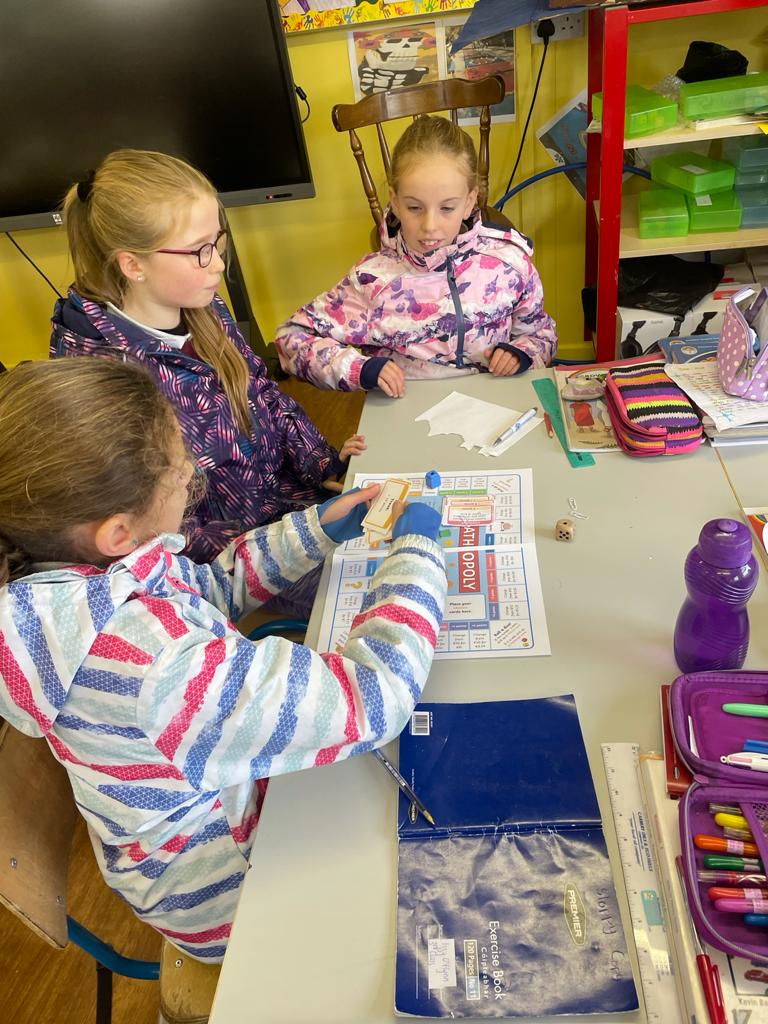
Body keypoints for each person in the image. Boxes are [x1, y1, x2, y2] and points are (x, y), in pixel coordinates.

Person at [0, 358, 445, 963]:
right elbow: (374, 698)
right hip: (236, 894)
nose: (191, 468)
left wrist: (316, 530)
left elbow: (206, 590)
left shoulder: (77, 581)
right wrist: (416, 554)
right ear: (118, 532)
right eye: (177, 464)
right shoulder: (153, 664)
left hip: (225, 803)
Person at [50, 148, 365, 577]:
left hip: (289, 510)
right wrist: (294, 541)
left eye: (218, 241)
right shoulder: (99, 382)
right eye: (200, 250)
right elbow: (163, 530)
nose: (217, 263)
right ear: (133, 265)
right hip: (235, 565)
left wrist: (322, 464)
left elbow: (263, 392)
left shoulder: (203, 306)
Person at [275, 115, 557, 397]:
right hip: (407, 409)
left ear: (469, 201)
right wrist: (359, 368)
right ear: (395, 201)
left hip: (497, 406)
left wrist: (522, 353)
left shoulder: (509, 264)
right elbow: (290, 338)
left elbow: (541, 334)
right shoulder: (371, 281)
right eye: (414, 208)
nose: (430, 226)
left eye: (447, 208)